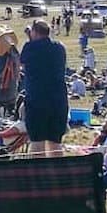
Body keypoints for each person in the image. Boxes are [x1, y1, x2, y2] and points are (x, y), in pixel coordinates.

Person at [20, 19, 69, 157]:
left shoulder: (30, 47)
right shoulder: (59, 47)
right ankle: (57, 173)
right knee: (55, 143)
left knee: (37, 142)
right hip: (58, 99)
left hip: (37, 99)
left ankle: (38, 175)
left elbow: (22, 64)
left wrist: (30, 41)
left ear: (34, 32)